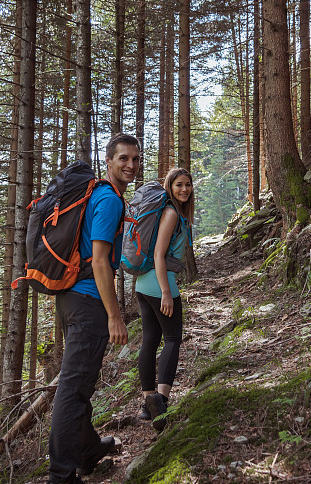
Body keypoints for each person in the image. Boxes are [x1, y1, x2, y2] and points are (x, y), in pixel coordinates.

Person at [48, 133, 140, 484]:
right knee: (73, 388)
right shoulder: (110, 200)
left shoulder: (101, 194)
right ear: (109, 161)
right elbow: (100, 261)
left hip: (72, 298)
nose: (130, 165)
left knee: (80, 383)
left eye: (135, 158)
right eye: (123, 159)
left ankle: (88, 452)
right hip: (88, 302)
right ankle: (61, 474)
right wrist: (115, 316)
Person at [136, 167, 194, 431]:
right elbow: (159, 254)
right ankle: (161, 400)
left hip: (143, 283)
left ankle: (148, 402)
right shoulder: (170, 213)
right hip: (160, 284)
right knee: (172, 339)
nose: (184, 189)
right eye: (179, 185)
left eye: (188, 185)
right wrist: (167, 293)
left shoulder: (172, 212)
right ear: (169, 187)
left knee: (150, 340)